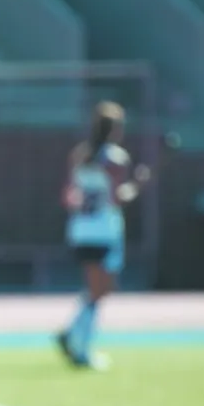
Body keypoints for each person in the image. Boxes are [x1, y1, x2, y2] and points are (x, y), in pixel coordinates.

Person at [56, 100, 151, 371]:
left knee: (100, 288)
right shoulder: (115, 159)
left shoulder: (80, 155)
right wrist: (139, 184)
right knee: (101, 290)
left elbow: (67, 196)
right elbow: (118, 197)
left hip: (80, 229)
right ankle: (81, 348)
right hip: (104, 230)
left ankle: (73, 334)